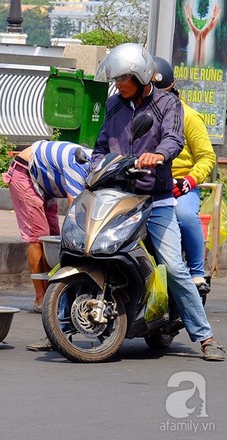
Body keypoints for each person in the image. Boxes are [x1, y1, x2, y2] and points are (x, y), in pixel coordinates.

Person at [91, 43, 224, 361]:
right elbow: (99, 144)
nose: (118, 84)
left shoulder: (168, 104)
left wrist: (159, 155)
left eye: (123, 78)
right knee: (88, 247)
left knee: (175, 269)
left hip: (158, 200)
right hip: (118, 195)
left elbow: (173, 138)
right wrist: (95, 163)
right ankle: (58, 323)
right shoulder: (114, 105)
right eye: (116, 79)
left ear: (138, 75)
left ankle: (205, 337)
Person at [1, 141, 91, 352]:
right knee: (38, 236)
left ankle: (53, 294)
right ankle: (40, 298)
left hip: (45, 181)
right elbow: (75, 211)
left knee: (53, 235)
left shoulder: (97, 164)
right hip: (25, 175)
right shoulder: (78, 166)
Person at [152, 56, 216, 298]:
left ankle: (197, 272)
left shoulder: (188, 116)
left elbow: (207, 157)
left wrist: (189, 180)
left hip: (180, 187)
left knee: (185, 215)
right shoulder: (141, 115)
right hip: (147, 184)